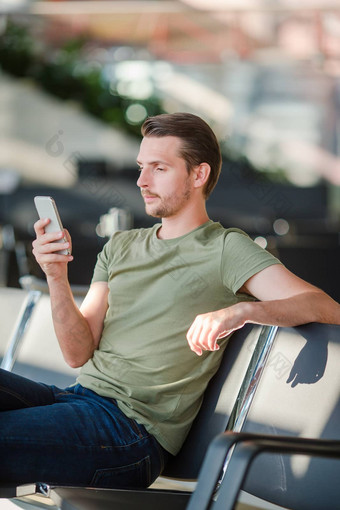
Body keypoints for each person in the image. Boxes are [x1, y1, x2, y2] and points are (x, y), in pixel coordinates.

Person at [0, 112, 339, 489]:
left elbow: (325, 306)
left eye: (159, 168)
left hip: (128, 434)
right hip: (78, 400)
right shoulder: (121, 246)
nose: (142, 181)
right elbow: (77, 353)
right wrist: (56, 275)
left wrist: (244, 310)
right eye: (142, 167)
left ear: (198, 175)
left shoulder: (225, 248)